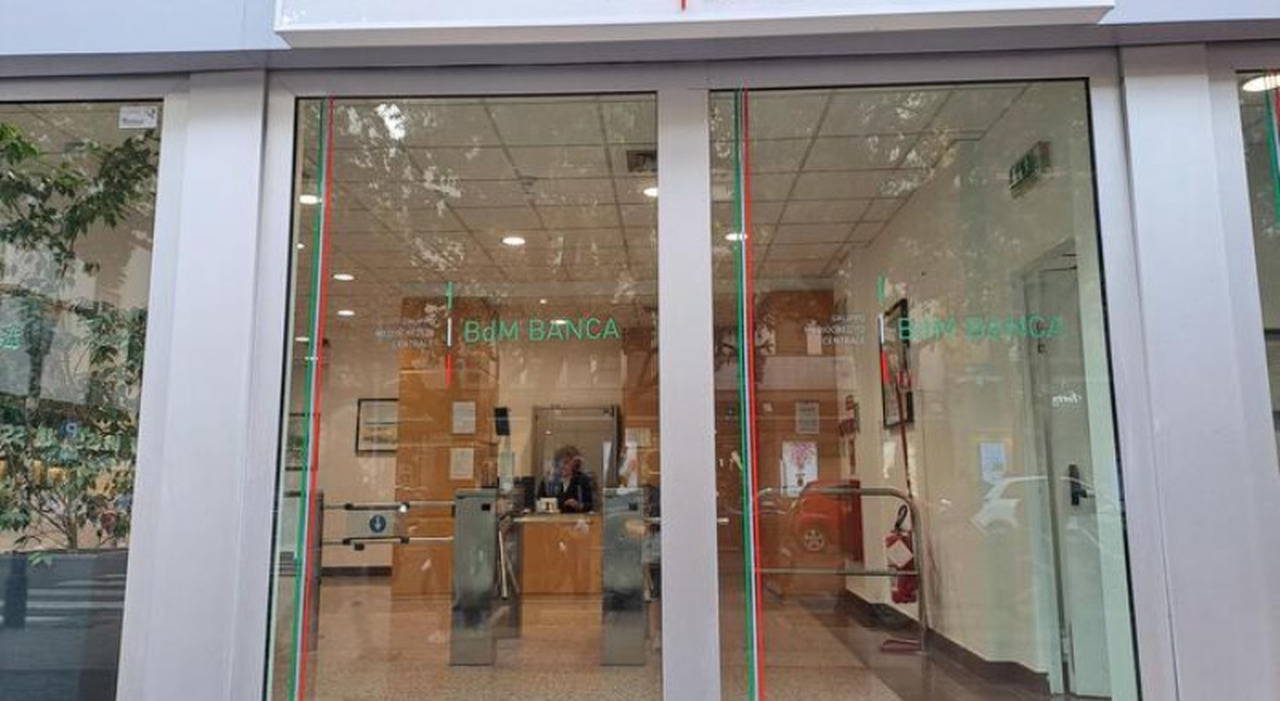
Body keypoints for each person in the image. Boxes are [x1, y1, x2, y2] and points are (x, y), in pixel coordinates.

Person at [538, 445, 595, 513]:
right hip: (553, 518)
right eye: (558, 463)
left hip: (575, 518)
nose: (561, 466)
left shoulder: (582, 480)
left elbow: (590, 505)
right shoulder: (548, 481)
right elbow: (539, 503)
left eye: (566, 463)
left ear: (575, 464)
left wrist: (578, 505)